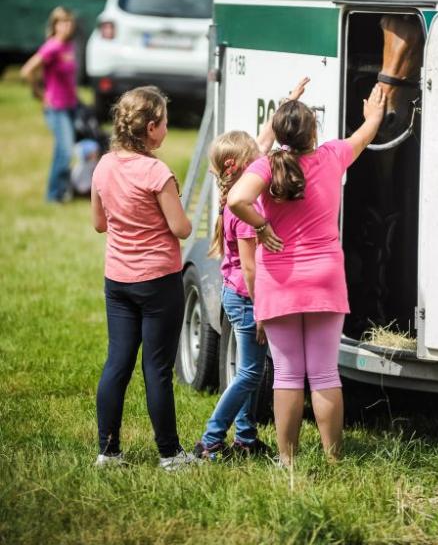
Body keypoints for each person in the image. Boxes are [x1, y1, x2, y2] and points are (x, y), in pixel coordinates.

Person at [227, 84, 386, 466]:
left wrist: (263, 227)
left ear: (281, 133)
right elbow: (365, 134)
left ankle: (288, 460)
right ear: (313, 132)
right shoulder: (333, 155)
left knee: (287, 375)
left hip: (278, 283)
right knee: (324, 373)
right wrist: (374, 116)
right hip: (324, 279)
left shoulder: (266, 165)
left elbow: (236, 199)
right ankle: (333, 459)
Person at [195, 78, 310, 461]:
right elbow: (249, 267)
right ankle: (211, 440)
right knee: (249, 373)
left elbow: (262, 142)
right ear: (238, 165)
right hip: (247, 299)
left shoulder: (236, 187)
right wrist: (263, 310)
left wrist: (287, 103)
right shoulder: (247, 213)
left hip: (237, 295)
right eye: (255, 158)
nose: (264, 158)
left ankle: (244, 438)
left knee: (251, 368)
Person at [91, 85, 196, 471]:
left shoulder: (103, 166)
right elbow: (181, 228)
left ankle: (108, 451)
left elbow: (99, 223)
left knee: (117, 362)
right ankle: (169, 455)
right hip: (157, 282)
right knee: (157, 368)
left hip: (117, 280)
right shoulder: (157, 172)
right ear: (151, 128)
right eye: (165, 123)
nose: (167, 129)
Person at [21, 7, 78, 202]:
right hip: (56, 108)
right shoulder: (52, 47)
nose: (67, 26)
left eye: (69, 22)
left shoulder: (68, 46)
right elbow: (27, 70)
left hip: (71, 105)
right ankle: (53, 195)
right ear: (54, 26)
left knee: (64, 150)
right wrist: (39, 93)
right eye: (62, 22)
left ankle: (63, 191)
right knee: (65, 150)